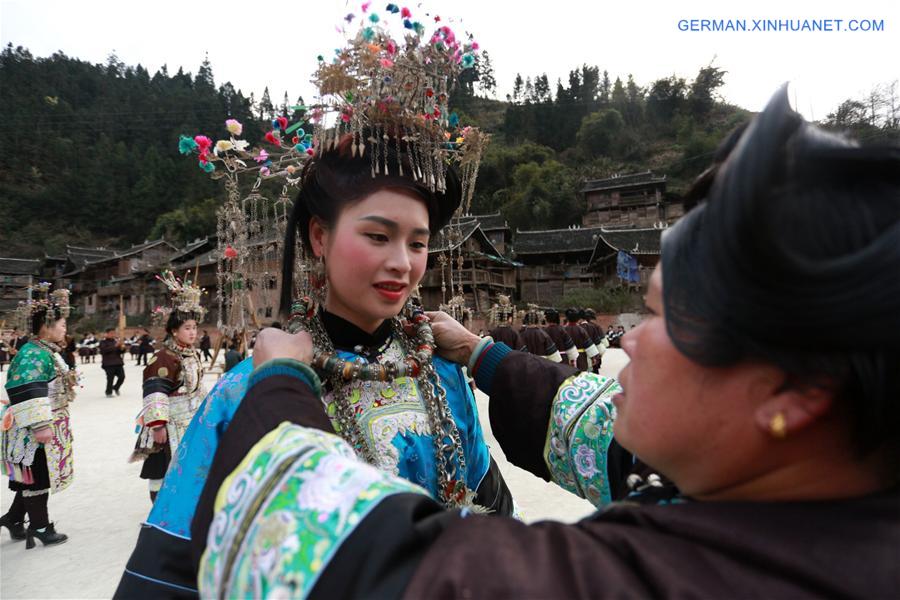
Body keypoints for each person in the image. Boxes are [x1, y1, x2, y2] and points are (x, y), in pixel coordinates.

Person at [192, 85, 900, 598]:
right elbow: (595, 427)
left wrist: (280, 391)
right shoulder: (820, 492)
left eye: (667, 319)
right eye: (375, 235)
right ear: (319, 237)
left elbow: (363, 563)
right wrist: (488, 357)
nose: (633, 343)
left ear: (799, 390)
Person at [114, 15, 511, 595]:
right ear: (319, 238)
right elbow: (174, 569)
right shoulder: (250, 391)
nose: (402, 261)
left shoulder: (442, 371)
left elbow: (494, 519)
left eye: (418, 242)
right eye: (377, 236)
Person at [0, 285, 76, 548]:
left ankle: (13, 519)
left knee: (31, 476)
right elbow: (27, 388)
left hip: (45, 421)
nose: (65, 328)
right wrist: (40, 424)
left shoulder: (46, 350)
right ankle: (40, 526)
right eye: (62, 323)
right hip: (32, 427)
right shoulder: (34, 354)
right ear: (47, 325)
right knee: (37, 476)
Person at [128, 271, 206, 503]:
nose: (192, 332)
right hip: (169, 425)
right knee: (161, 470)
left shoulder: (190, 354)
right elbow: (155, 392)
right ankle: (159, 513)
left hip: (189, 423)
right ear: (174, 331)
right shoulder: (164, 357)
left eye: (194, 327)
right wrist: (158, 424)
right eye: (187, 328)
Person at [99, 327, 126, 397]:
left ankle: (116, 387)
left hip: (118, 362)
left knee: (122, 377)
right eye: (111, 333)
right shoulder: (103, 342)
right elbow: (103, 351)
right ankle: (108, 392)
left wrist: (122, 348)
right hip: (108, 363)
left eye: (114, 333)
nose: (113, 334)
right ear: (107, 334)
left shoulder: (115, 341)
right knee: (110, 378)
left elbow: (120, 352)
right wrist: (115, 346)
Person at [581, 308, 607, 373]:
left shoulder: (579, 326)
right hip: (595, 354)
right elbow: (605, 343)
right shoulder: (596, 326)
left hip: (581, 356)